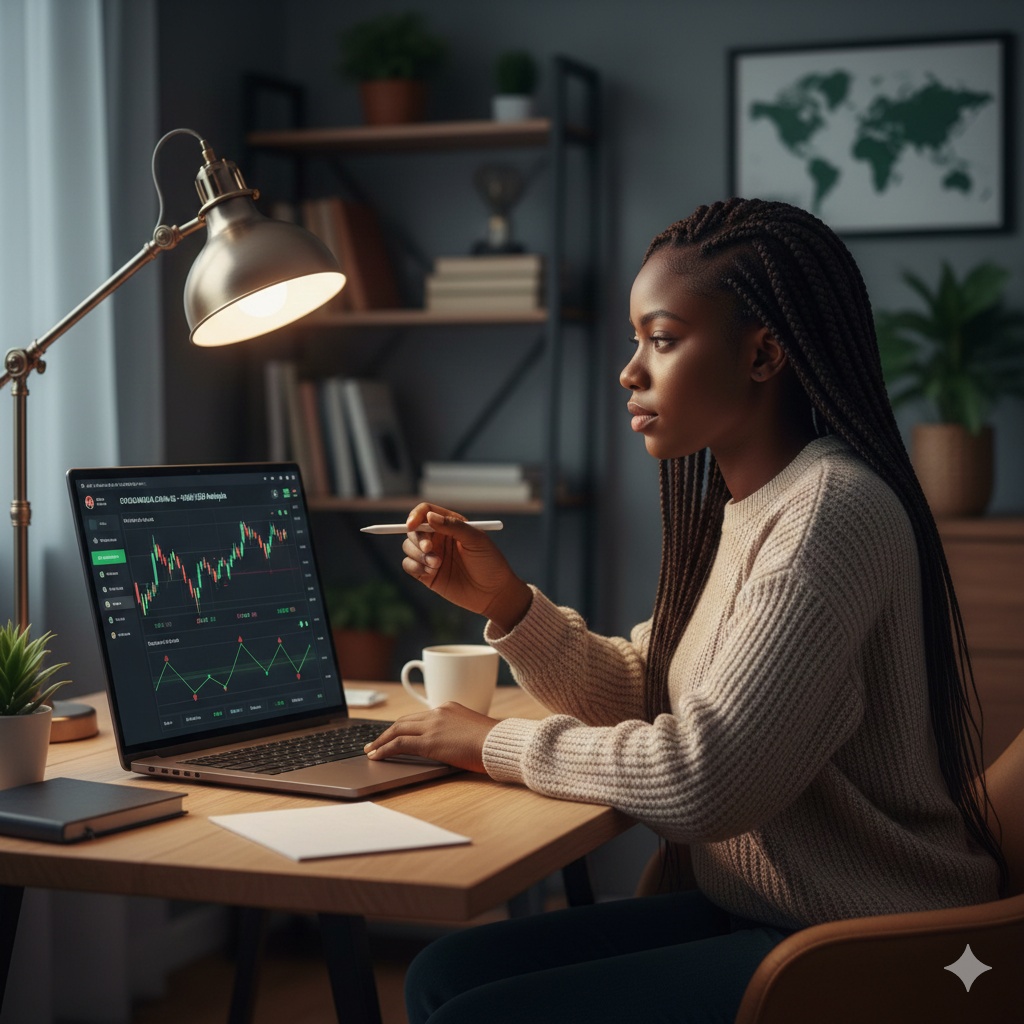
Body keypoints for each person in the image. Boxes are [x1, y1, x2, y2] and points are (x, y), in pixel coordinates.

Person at [364, 198, 1005, 1024]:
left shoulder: (828, 514)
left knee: (467, 1011)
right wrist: (510, 605)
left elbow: (705, 778)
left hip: (862, 938)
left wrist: (496, 743)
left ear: (764, 352)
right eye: (636, 341)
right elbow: (655, 691)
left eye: (661, 340)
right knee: (443, 975)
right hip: (764, 908)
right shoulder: (749, 506)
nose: (630, 370)